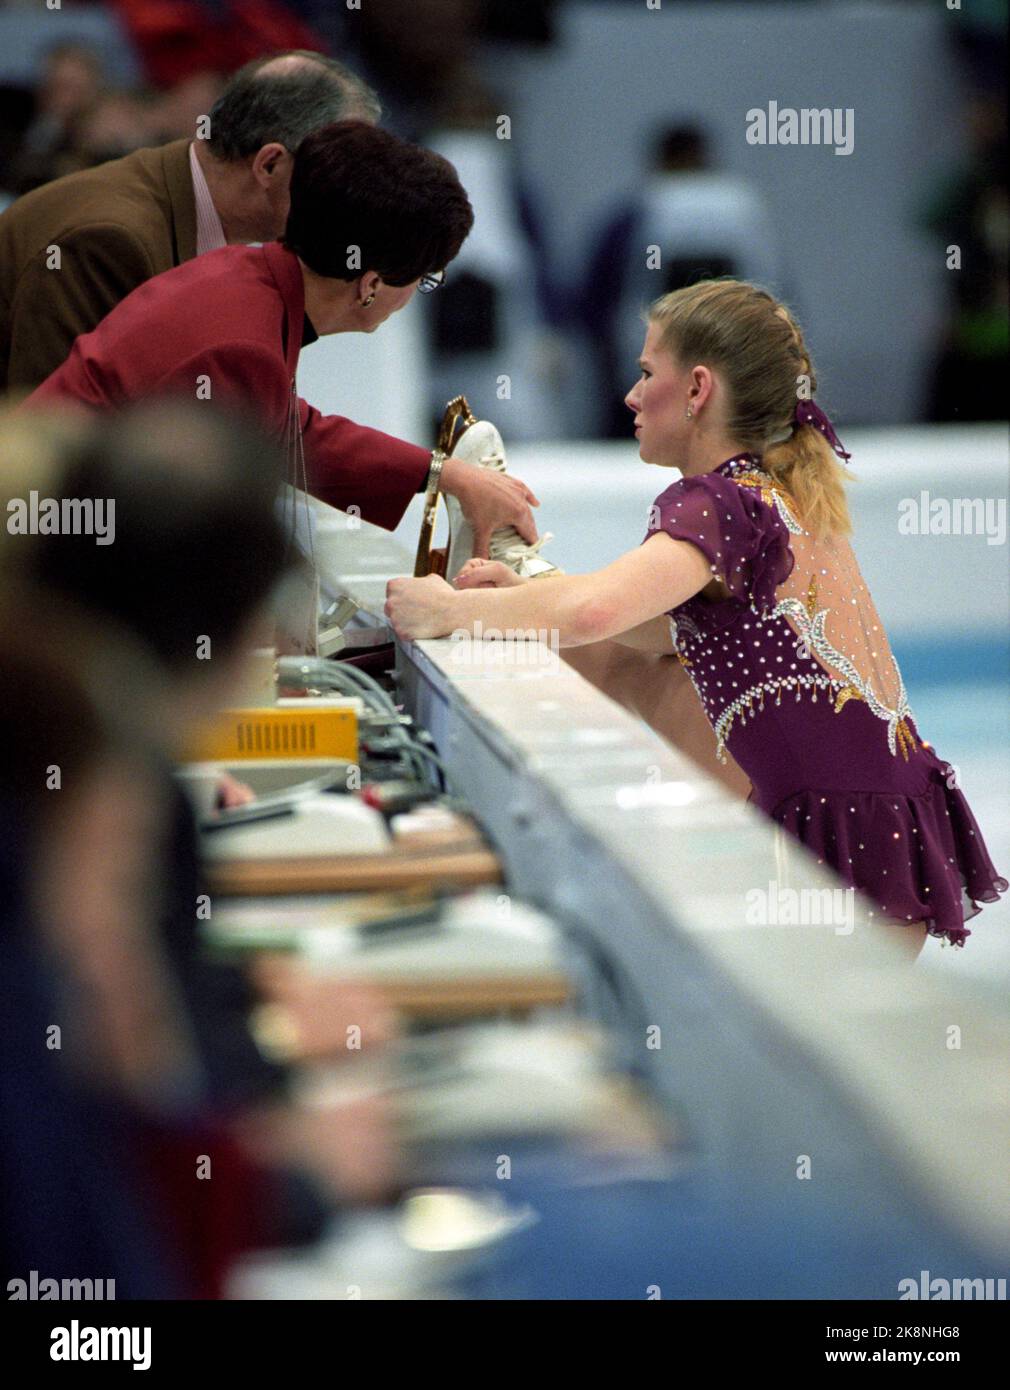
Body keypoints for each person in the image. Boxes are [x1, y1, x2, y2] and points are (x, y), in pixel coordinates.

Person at [385, 278, 1008, 952]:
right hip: (888, 827)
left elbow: (597, 610)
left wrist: (454, 608)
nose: (629, 394)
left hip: (833, 849)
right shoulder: (777, 490)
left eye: (647, 372)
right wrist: (514, 602)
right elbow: (657, 625)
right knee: (647, 659)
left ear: (697, 390)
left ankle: (532, 580)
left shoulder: (717, 503)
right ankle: (532, 577)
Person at [21, 118, 540, 547]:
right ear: (371, 284)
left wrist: (441, 476)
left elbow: (288, 427)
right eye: (425, 279)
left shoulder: (246, 278)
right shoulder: (243, 345)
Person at [0, 50, 378, 390]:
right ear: (270, 164)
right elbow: (50, 441)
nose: (343, 199)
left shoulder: (179, 200)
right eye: (336, 177)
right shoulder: (113, 241)